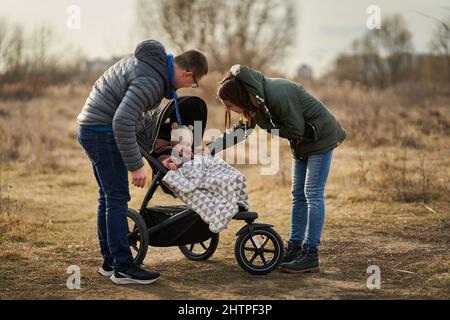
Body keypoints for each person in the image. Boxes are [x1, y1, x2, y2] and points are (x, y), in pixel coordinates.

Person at [76, 40, 208, 284]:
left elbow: (140, 121)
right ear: (187, 73)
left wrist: (163, 153)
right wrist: (136, 165)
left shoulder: (150, 69)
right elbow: (123, 121)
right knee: (116, 198)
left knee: (107, 197)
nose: (190, 86)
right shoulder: (151, 80)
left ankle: (110, 262)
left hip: (92, 128)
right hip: (102, 131)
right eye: (193, 82)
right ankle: (123, 268)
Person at [207, 65, 346, 273]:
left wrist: (263, 123)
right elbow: (241, 131)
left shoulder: (275, 95)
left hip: (320, 137)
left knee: (313, 194)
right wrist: (210, 148)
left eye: (229, 105)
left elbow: (296, 129)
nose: (229, 109)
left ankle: (311, 254)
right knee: (297, 195)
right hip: (302, 143)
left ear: (239, 97)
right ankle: (295, 247)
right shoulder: (256, 100)